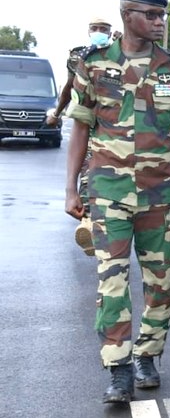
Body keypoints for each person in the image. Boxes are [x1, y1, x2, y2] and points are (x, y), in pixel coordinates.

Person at [64, 0, 170, 403]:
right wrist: (72, 189)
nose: (160, 22)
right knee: (112, 282)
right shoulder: (94, 64)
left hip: (159, 195)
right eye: (151, 15)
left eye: (162, 16)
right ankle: (119, 367)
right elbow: (81, 127)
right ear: (128, 16)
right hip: (108, 193)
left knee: (159, 284)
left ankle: (147, 354)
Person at [50, 17, 117, 257]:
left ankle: (101, 222)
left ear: (111, 32)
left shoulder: (122, 51)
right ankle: (88, 221)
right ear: (88, 31)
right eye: (95, 29)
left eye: (103, 30)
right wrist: (57, 113)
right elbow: (70, 87)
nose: (99, 32)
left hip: (116, 125)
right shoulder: (80, 55)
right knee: (89, 168)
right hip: (88, 121)